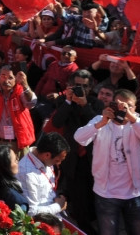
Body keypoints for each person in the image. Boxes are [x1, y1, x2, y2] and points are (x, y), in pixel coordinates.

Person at [75, 89, 140, 235]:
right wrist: (101, 123)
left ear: (135, 108)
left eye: (129, 106)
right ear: (113, 105)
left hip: (133, 192)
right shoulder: (101, 120)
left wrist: (130, 116)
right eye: (120, 105)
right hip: (106, 193)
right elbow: (79, 138)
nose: (124, 109)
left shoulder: (137, 122)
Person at [51, 69, 103, 235]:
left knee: (92, 191)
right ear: (71, 85)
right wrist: (68, 101)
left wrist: (84, 105)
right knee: (78, 192)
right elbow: (57, 122)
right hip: (73, 156)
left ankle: (91, 218)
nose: (81, 89)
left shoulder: (96, 104)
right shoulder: (63, 101)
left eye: (85, 86)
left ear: (90, 88)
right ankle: (84, 227)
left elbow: (98, 125)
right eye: (77, 85)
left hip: (93, 156)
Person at [16, 132, 70, 215]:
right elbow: (31, 212)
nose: (58, 164)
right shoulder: (27, 174)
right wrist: (58, 206)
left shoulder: (43, 160)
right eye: (57, 160)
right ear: (47, 155)